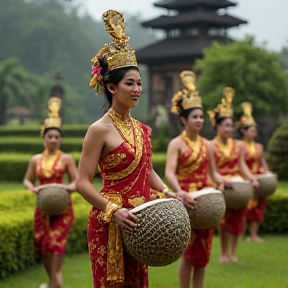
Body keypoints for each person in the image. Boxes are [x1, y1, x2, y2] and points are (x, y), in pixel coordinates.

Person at [76, 10, 170, 288]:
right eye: (130, 83)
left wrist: (167, 193)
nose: (137, 89)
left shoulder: (142, 129)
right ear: (111, 87)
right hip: (111, 222)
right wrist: (113, 211)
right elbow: (82, 182)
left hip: (142, 222)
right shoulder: (98, 130)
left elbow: (148, 170)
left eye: (139, 83)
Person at [165, 71, 221, 288]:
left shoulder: (208, 144)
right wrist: (179, 191)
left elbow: (213, 173)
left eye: (201, 117)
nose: (199, 120)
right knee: (188, 251)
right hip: (185, 199)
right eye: (194, 117)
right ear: (183, 119)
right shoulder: (176, 144)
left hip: (204, 201)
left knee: (203, 251)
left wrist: (221, 184)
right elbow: (169, 172)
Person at [23, 97, 77, 288]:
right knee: (43, 247)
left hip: (62, 208)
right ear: (44, 137)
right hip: (43, 208)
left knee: (56, 243)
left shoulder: (67, 159)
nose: (54, 140)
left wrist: (66, 188)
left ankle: (55, 282)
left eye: (57, 137)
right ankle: (54, 281)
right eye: (50, 137)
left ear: (60, 138)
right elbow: (27, 179)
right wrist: (33, 188)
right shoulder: (35, 159)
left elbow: (77, 182)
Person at [207, 88, 259, 264]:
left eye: (231, 126)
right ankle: (223, 254)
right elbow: (211, 170)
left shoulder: (239, 146)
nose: (230, 129)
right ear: (218, 127)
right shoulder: (211, 146)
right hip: (222, 187)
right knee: (224, 222)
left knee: (238, 221)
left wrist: (252, 178)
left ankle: (233, 254)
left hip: (238, 187)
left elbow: (242, 165)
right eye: (226, 125)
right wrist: (220, 181)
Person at [238, 102, 271, 242]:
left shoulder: (259, 147)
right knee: (244, 207)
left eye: (255, 130)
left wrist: (268, 174)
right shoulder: (240, 146)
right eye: (251, 130)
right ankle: (240, 235)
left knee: (258, 206)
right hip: (245, 178)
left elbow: (262, 161)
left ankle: (253, 235)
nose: (254, 133)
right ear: (243, 131)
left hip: (259, 179)